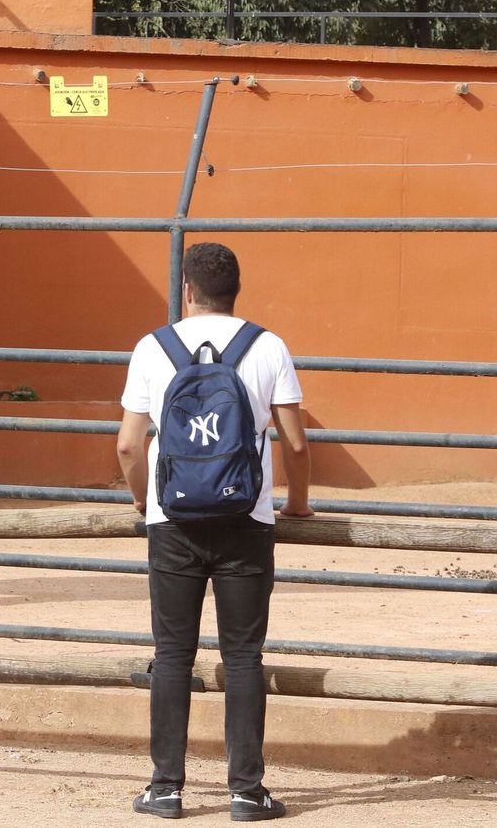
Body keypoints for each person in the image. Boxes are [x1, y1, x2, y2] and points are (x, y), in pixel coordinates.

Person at [117, 242, 313, 822]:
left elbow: (128, 446)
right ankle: (247, 792)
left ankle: (165, 789)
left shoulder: (153, 347)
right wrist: (298, 504)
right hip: (246, 519)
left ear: (187, 290)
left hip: (172, 521)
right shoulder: (268, 346)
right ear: (236, 291)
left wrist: (143, 499)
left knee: (172, 655)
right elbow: (296, 444)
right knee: (244, 655)